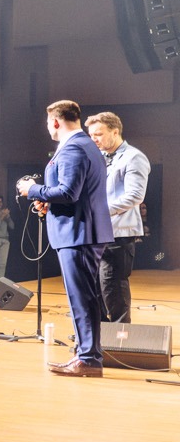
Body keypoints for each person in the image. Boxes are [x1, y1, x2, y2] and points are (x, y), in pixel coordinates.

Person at [17, 100, 114, 377]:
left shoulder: (73, 148)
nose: (48, 128)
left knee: (82, 298)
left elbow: (69, 192)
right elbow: (74, 193)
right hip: (81, 230)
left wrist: (32, 189)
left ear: (56, 122)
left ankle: (89, 359)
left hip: (79, 232)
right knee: (85, 297)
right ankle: (86, 354)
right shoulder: (84, 145)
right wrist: (49, 202)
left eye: (49, 123)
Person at [88, 112, 150, 323]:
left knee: (112, 286)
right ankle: (98, 340)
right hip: (95, 231)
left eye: (98, 134)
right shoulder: (99, 158)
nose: (94, 139)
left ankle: (121, 339)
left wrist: (98, 211)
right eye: (91, 135)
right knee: (94, 287)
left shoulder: (134, 157)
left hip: (118, 233)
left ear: (115, 131)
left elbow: (134, 196)